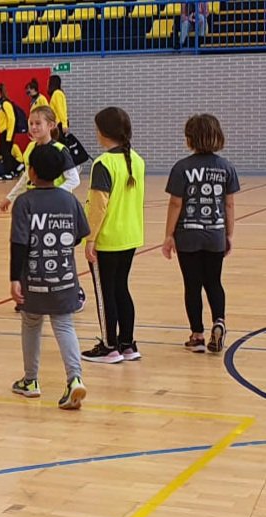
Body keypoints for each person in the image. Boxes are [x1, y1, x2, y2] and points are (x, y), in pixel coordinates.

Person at [11, 145, 90, 408]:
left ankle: (31, 381)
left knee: (31, 323)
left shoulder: (24, 202)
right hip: (64, 277)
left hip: (34, 279)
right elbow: (80, 234)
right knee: (64, 325)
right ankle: (74, 378)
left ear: (32, 171)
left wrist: (14, 278)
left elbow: (19, 243)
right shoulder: (69, 200)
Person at [161, 114, 238, 353]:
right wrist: (228, 234)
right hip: (215, 233)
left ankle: (197, 335)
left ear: (190, 139)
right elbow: (229, 205)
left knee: (192, 285)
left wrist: (168, 235)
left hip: (188, 235)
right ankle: (219, 321)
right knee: (214, 281)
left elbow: (176, 203)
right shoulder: (226, 167)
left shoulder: (182, 168)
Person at [1, 106, 84, 315]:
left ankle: (75, 291)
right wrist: (10, 196)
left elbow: (74, 179)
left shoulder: (60, 150)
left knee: (58, 253)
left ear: (51, 125)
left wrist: (53, 196)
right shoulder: (30, 148)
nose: (34, 127)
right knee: (28, 251)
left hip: (55, 212)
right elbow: (26, 178)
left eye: (38, 123)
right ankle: (25, 294)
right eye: (31, 123)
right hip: (32, 209)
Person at [82, 107, 145, 364]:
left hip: (107, 238)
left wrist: (90, 238)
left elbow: (99, 205)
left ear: (103, 132)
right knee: (121, 288)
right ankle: (127, 343)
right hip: (130, 236)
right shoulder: (137, 160)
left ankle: (109, 346)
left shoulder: (103, 163)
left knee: (106, 293)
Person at [0, 83, 18, 180]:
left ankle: (9, 172)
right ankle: (15, 168)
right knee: (3, 152)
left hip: (7, 132)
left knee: (6, 152)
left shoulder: (6, 103)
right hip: (2, 132)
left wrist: (9, 136)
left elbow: (12, 119)